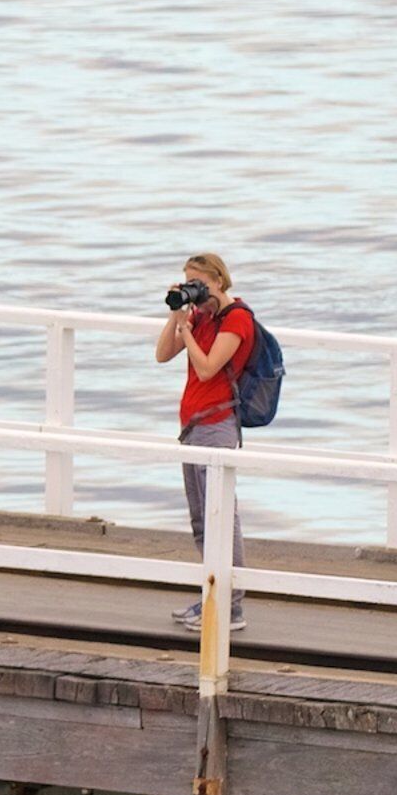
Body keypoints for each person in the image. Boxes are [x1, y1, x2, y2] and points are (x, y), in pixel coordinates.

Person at [156, 251, 253, 631]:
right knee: (201, 519)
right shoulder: (201, 317)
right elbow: (162, 355)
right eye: (186, 282)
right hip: (193, 425)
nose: (192, 289)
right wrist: (177, 315)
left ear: (217, 281)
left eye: (196, 283)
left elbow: (208, 366)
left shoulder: (237, 319)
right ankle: (209, 597)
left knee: (222, 517)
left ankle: (231, 608)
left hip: (218, 425)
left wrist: (190, 334)